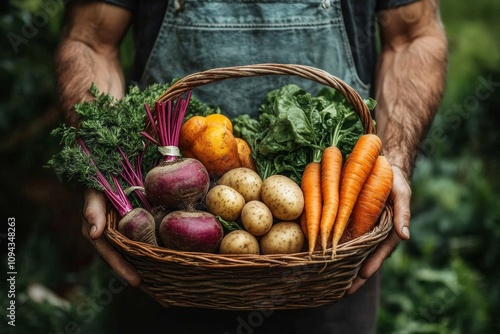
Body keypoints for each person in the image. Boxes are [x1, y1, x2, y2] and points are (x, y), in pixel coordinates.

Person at [55, 0, 447, 333]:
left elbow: (412, 37)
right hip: (162, 250)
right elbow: (90, 41)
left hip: (332, 260)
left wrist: (392, 162)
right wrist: (103, 172)